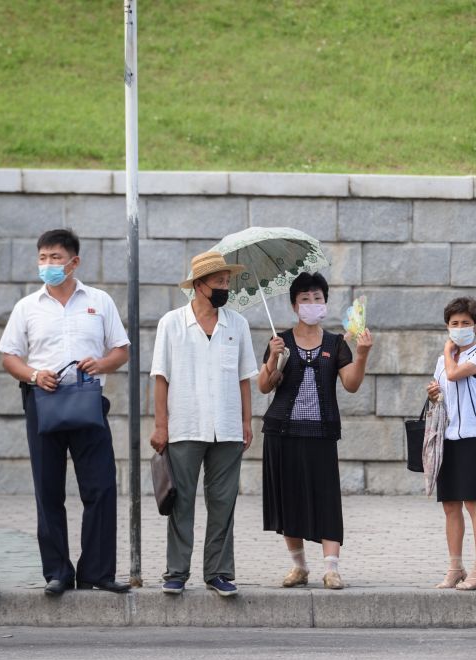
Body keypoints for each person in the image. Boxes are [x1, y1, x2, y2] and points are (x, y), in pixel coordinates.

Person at [0, 229, 131, 596]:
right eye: (43, 258)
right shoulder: (28, 307)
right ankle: (57, 571)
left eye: (55, 258)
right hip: (44, 403)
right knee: (48, 490)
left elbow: (122, 350)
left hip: (88, 401)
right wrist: (34, 375)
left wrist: (101, 364)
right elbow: (9, 356)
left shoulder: (99, 301)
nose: (48, 265)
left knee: (101, 488)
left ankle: (99, 572)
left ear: (75, 262)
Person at [149, 252, 259, 597]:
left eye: (227, 281)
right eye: (219, 282)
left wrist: (246, 420)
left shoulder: (237, 324)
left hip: (227, 426)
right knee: (180, 501)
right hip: (184, 425)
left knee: (224, 502)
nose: (225, 288)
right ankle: (177, 572)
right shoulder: (171, 323)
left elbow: (244, 377)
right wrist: (160, 425)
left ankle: (219, 572)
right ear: (199, 286)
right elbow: (161, 378)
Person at [257, 273, 372, 590]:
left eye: (317, 298)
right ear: (294, 305)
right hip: (282, 430)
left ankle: (331, 568)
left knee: (326, 497)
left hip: (321, 433)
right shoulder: (279, 340)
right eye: (305, 299)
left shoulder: (336, 344)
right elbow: (265, 386)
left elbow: (351, 384)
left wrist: (361, 354)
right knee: (289, 498)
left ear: (325, 302)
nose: (312, 304)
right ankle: (299, 567)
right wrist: (273, 359)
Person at [425, 297, 476, 591]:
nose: (459, 328)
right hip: (448, 438)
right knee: (450, 505)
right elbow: (443, 391)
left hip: (474, 437)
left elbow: (456, 375)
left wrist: (447, 351)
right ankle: (456, 567)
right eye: (454, 324)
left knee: (473, 503)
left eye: (465, 323)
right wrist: (433, 393)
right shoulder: (442, 361)